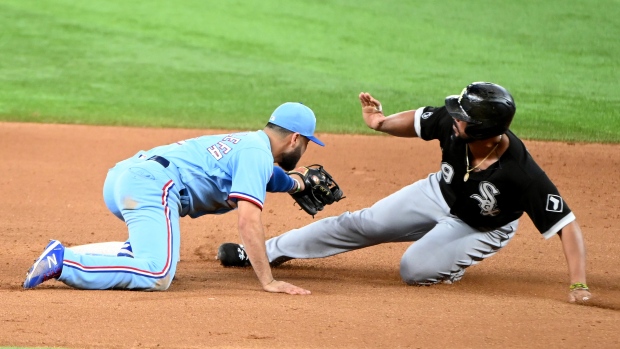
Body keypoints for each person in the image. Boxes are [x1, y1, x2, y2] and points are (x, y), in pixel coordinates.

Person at [218, 82, 592, 303]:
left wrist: (578, 283)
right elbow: (418, 120)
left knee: (415, 269)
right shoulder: (453, 122)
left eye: (463, 116)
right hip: (438, 193)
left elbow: (567, 225)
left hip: (481, 225)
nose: (454, 116)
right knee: (359, 223)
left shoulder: (522, 174)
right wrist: (380, 122)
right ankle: (265, 253)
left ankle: (449, 259)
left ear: (483, 129)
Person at [23, 102, 324, 295]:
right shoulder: (256, 155)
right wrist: (268, 281)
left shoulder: (249, 144)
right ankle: (63, 261)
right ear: (295, 139)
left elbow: (267, 177)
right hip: (151, 185)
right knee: (158, 273)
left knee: (151, 254)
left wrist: (295, 185)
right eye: (307, 144)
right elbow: (248, 221)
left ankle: (118, 256)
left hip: (125, 178)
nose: (304, 151)